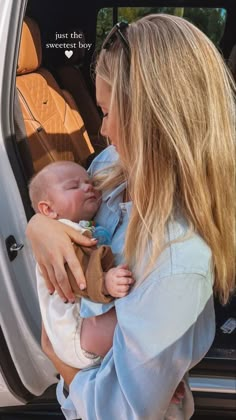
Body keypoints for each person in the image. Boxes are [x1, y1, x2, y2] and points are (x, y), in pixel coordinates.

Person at [26, 13, 235, 420]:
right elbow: (63, 202)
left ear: (149, 121)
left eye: (105, 112)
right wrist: (42, 226)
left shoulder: (174, 260)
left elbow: (120, 412)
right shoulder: (114, 167)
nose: (102, 130)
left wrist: (60, 361)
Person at [29, 160, 134, 368]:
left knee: (132, 339)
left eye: (90, 182)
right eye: (73, 186)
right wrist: (104, 282)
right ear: (48, 210)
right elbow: (75, 275)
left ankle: (158, 376)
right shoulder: (60, 236)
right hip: (76, 334)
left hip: (84, 326)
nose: (88, 187)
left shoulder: (82, 226)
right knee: (133, 330)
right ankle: (156, 373)